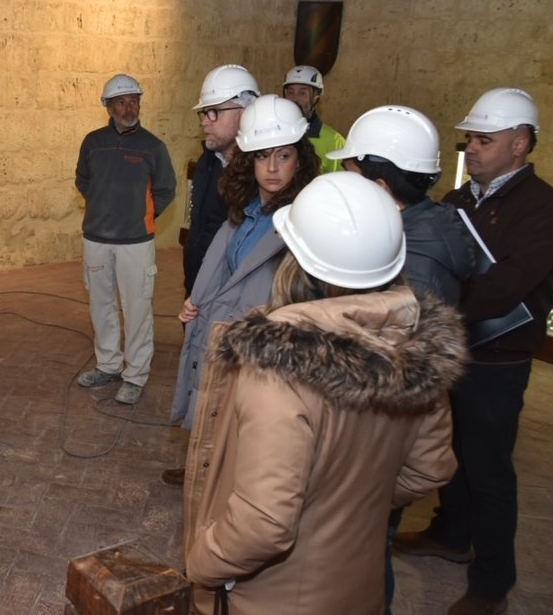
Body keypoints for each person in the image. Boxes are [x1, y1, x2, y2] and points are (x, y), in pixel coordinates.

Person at [183, 171, 468, 615]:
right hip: (360, 587)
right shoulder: (415, 352)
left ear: (295, 258)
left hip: (274, 599)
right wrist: (348, 503)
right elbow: (431, 469)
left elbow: (263, 524)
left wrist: (201, 563)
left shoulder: (277, 371)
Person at [394, 88, 553, 615]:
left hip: (500, 359)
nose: (470, 147)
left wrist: (434, 304)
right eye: (469, 138)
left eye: (483, 139)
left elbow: (505, 287)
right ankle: (451, 534)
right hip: (454, 347)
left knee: (489, 467)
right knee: (446, 451)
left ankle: (493, 581)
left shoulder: (543, 208)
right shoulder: (459, 200)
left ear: (520, 144)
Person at [327, 105, 478, 614]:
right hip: (387, 444)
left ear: (381, 181)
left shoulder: (412, 256)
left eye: (352, 172)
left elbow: (391, 368)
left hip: (378, 442)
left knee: (365, 554)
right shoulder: (431, 228)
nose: (347, 181)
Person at [164, 94, 319, 486]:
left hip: (259, 347)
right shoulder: (245, 209)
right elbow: (222, 266)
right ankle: (206, 464)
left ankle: (223, 480)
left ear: (299, 160)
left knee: (247, 434)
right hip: (221, 331)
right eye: (262, 156)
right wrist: (196, 299)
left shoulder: (305, 222)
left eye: (283, 156)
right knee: (214, 413)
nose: (271, 167)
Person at [75, 73, 177, 405]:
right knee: (101, 306)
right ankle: (107, 365)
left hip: (136, 242)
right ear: (108, 106)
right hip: (97, 239)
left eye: (134, 101)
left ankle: (135, 375)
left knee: (137, 309)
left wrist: (142, 214)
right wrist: (104, 207)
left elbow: (165, 189)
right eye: (121, 101)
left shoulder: (153, 146)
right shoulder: (93, 142)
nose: (129, 107)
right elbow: (83, 180)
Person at [182, 64, 260, 296]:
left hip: (233, 295)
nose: (205, 121)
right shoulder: (207, 161)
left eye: (214, 111)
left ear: (245, 112)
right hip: (198, 286)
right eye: (204, 113)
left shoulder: (263, 175)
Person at [281, 64, 346, 173]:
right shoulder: (275, 133)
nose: (295, 99)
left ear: (317, 97)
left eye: (302, 93)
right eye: (290, 92)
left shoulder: (335, 142)